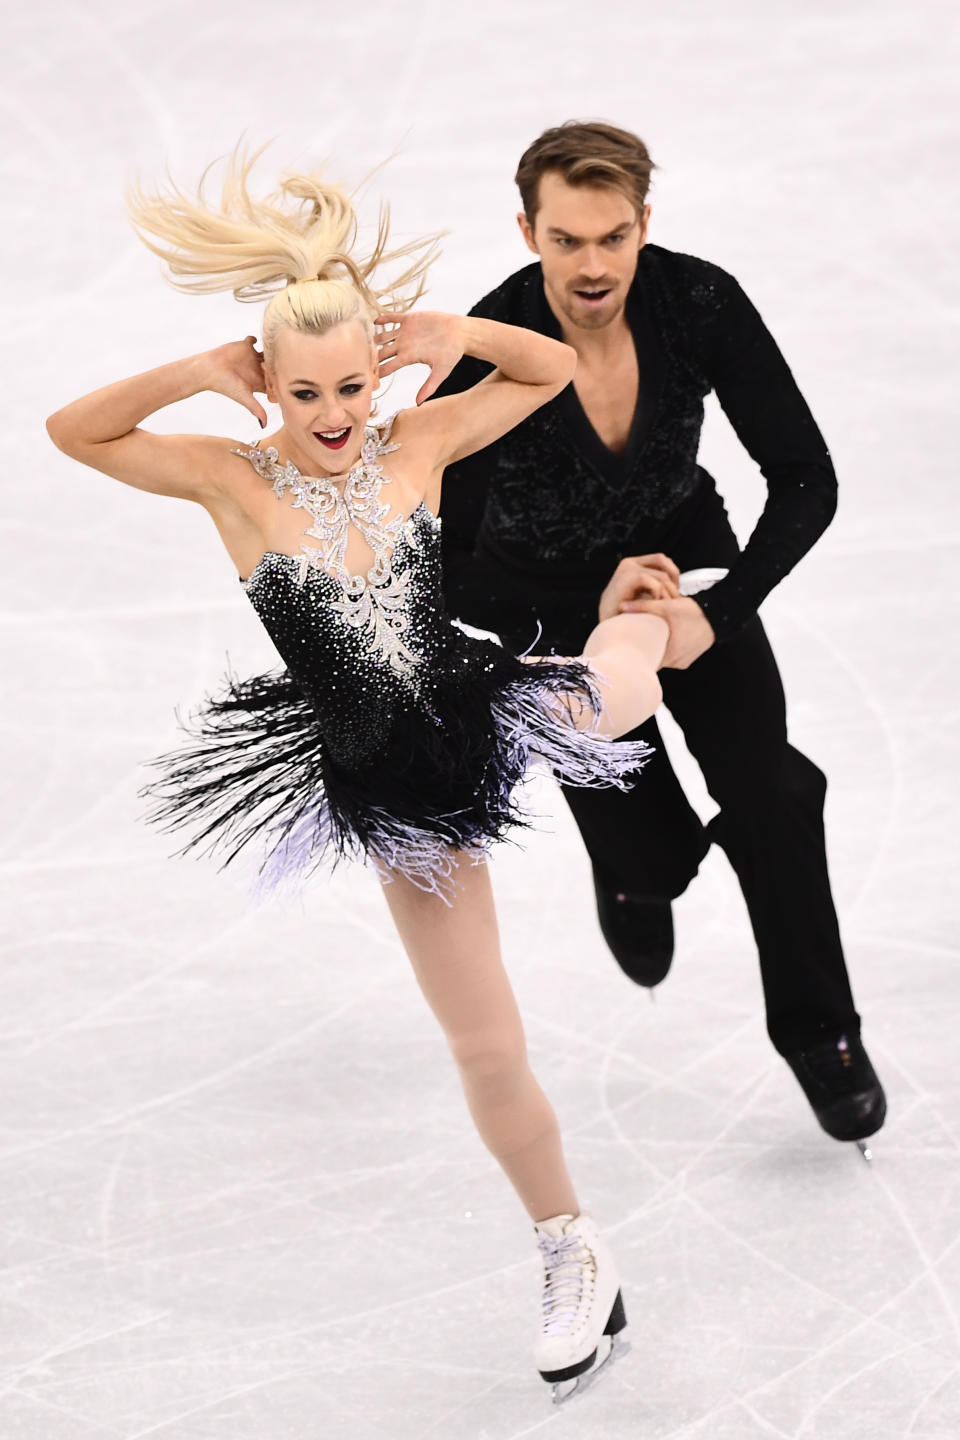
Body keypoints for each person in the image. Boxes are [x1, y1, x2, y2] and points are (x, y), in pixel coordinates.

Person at [45, 146, 671, 1399]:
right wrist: (201, 373)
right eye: (305, 390)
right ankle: (572, 1248)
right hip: (398, 783)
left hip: (476, 701)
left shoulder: (415, 441)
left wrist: (446, 331)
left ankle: (648, 605)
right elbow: (75, 430)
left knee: (623, 695)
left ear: (375, 376)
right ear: (269, 385)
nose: (333, 414)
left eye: (351, 385)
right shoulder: (232, 483)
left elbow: (543, 367)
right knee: (486, 1047)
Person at [432, 120, 886, 1150]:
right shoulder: (492, 343)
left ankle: (822, 1033)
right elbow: (441, 555)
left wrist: (711, 612)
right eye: (565, 240)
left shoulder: (697, 301)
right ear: (528, 232)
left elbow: (806, 478)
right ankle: (637, 870)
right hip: (541, 610)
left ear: (644, 226)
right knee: (653, 847)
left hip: (691, 572)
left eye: (612, 237)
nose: (592, 266)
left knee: (773, 788)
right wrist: (582, 616)